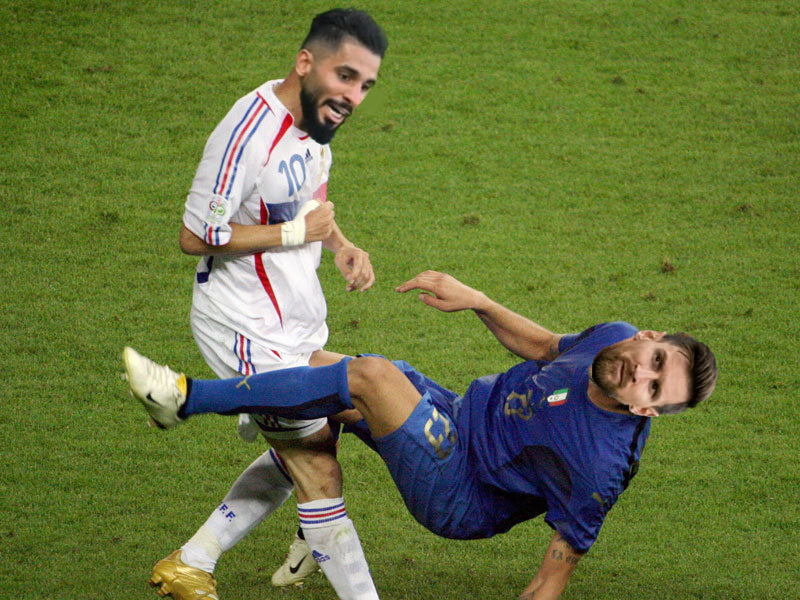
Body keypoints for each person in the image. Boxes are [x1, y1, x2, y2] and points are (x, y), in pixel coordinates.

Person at [124, 270, 718, 599]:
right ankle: (209, 556)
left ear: (646, 412)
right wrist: (479, 300)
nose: (641, 375)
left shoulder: (600, 467)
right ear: (648, 336)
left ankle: (185, 399)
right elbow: (544, 346)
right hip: (454, 413)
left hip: (460, 493)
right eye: (655, 361)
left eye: (653, 389)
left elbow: (549, 580)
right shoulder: (610, 338)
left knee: (369, 377)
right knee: (312, 375)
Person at [143, 8, 389, 600]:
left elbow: (310, 193)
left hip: (294, 319)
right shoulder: (248, 131)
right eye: (345, 76)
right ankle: (326, 550)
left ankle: (193, 561)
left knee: (325, 423)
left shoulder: (317, 122)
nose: (353, 96)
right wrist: (295, 235)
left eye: (365, 85)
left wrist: (340, 244)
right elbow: (196, 235)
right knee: (317, 465)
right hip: (243, 326)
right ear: (305, 62)